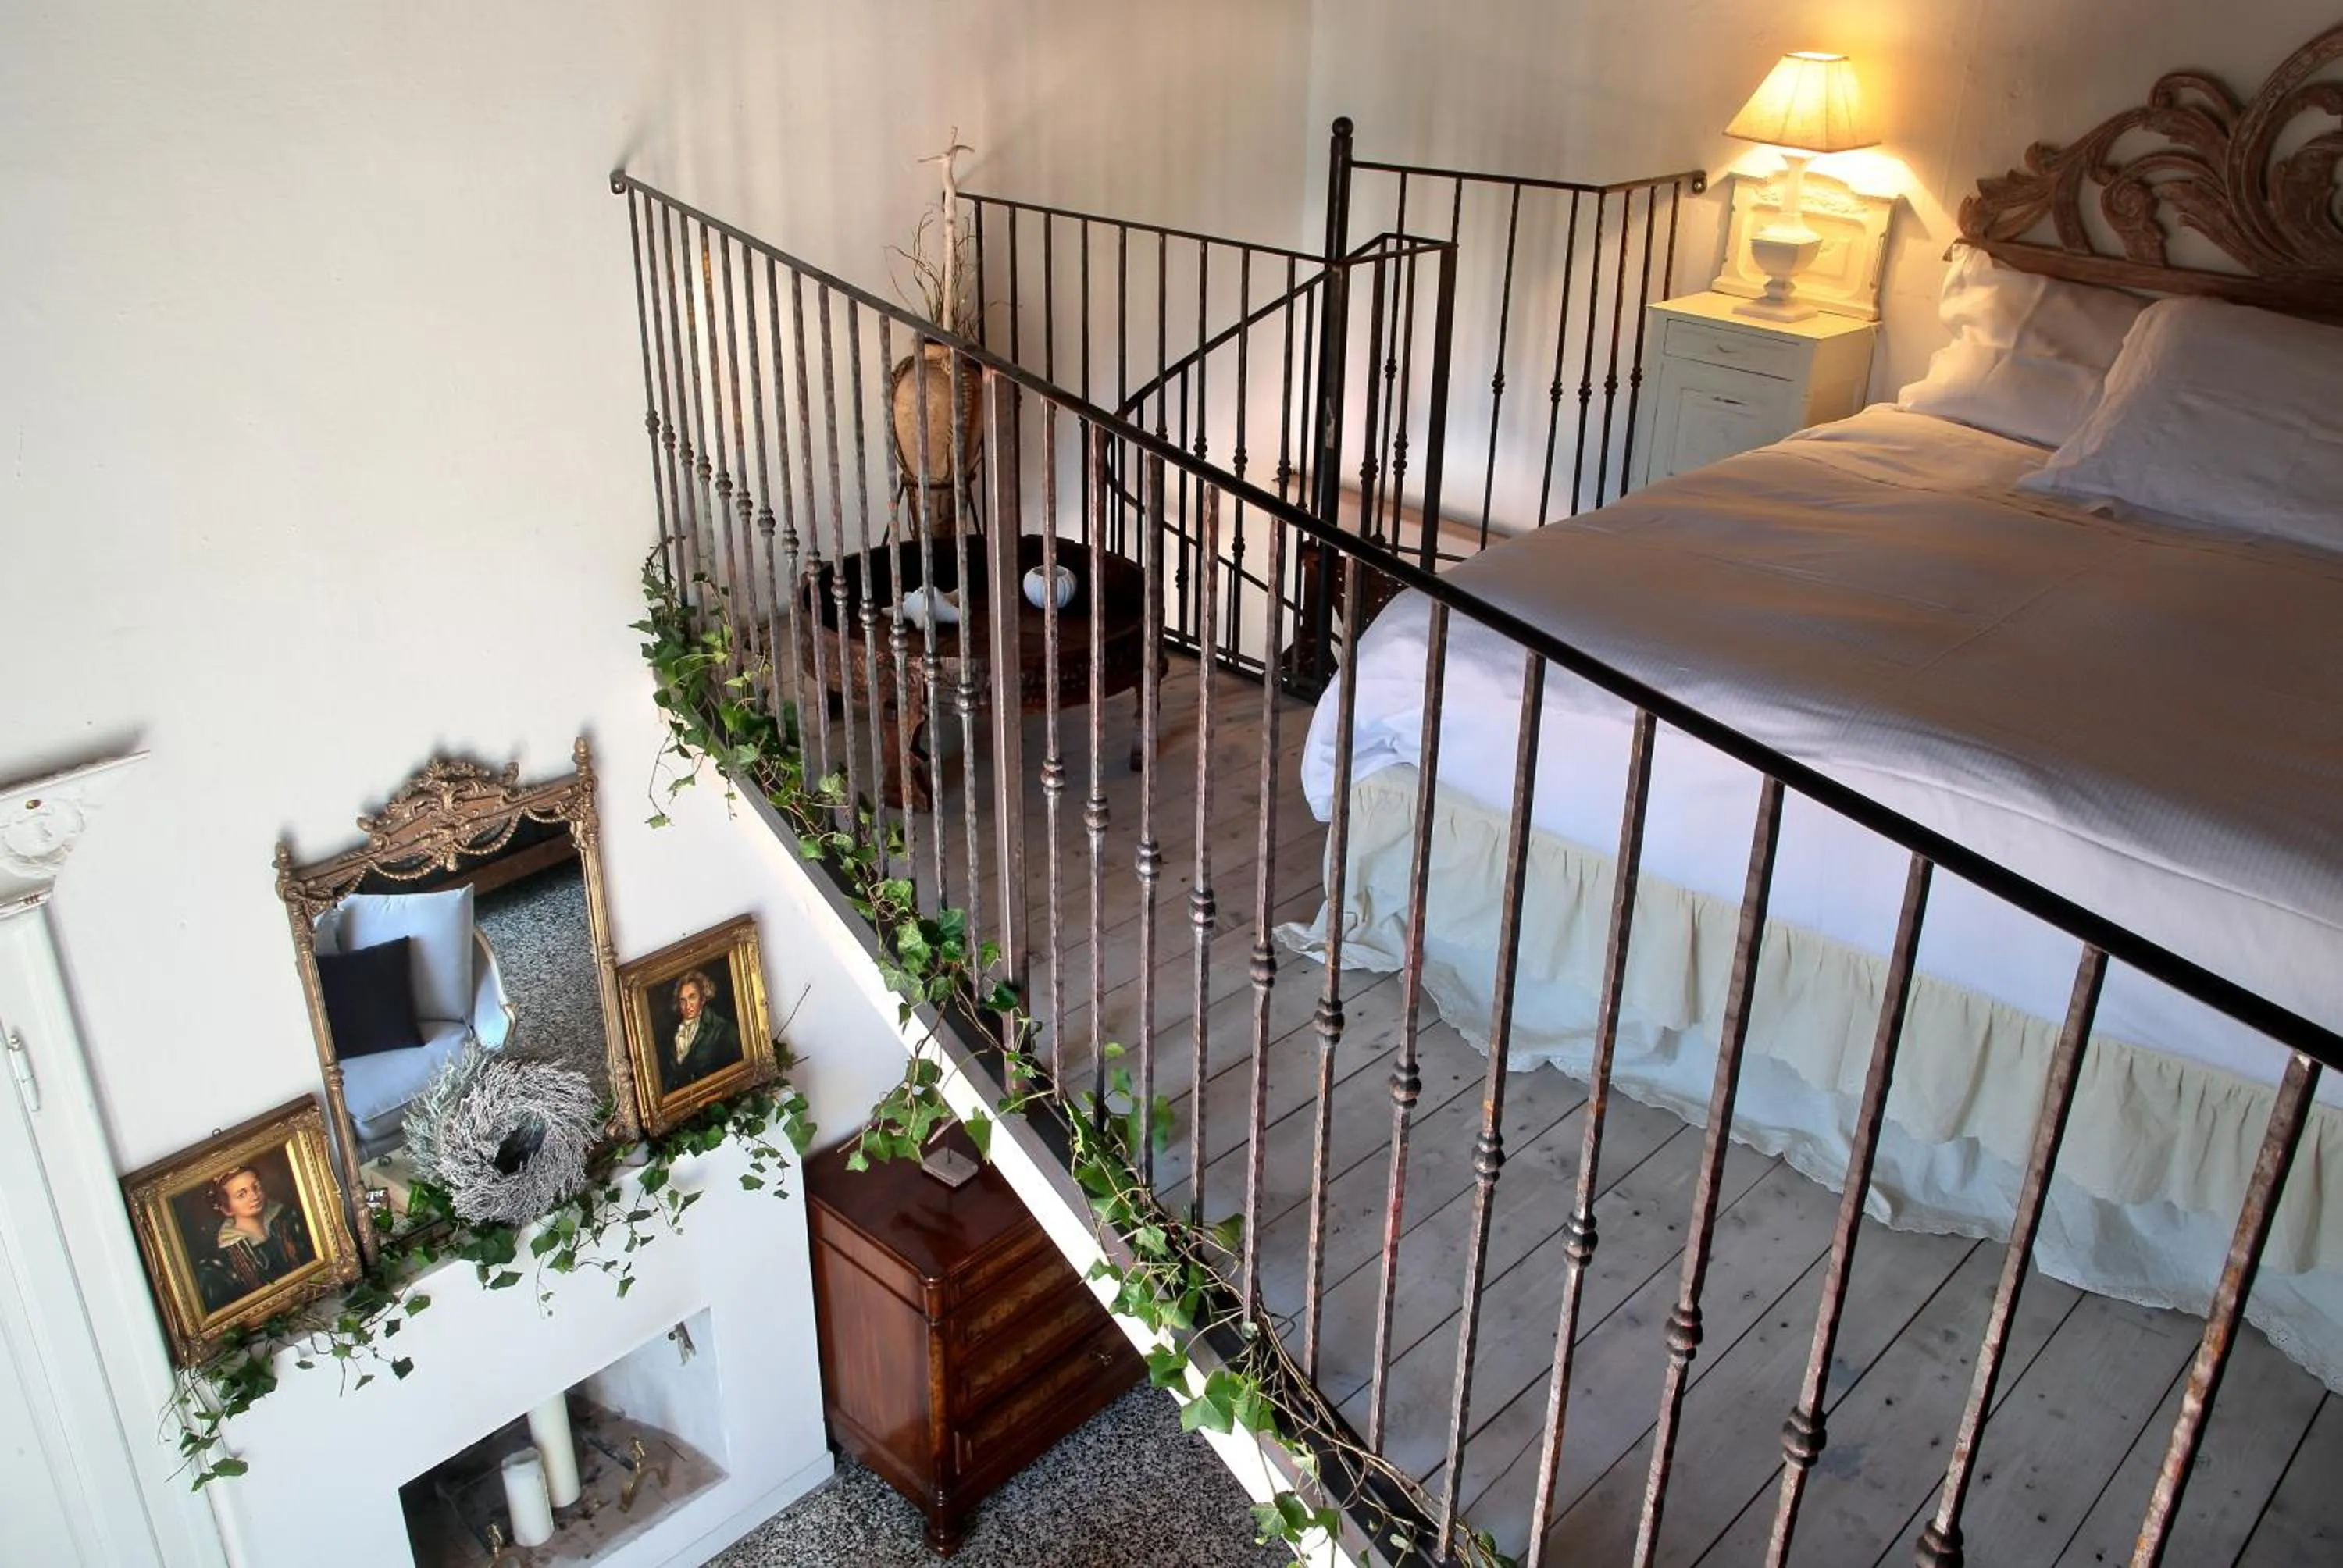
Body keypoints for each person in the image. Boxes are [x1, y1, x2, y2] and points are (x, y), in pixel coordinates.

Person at [193, 1164, 315, 1313]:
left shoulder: (289, 1221)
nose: (254, 1196)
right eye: (241, 1195)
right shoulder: (220, 1261)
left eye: (256, 1187)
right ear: (227, 1208)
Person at [665, 968, 741, 1090]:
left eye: (692, 997)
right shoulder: (674, 1033)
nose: (687, 1006)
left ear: (703, 998)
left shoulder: (723, 1030)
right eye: (683, 1000)